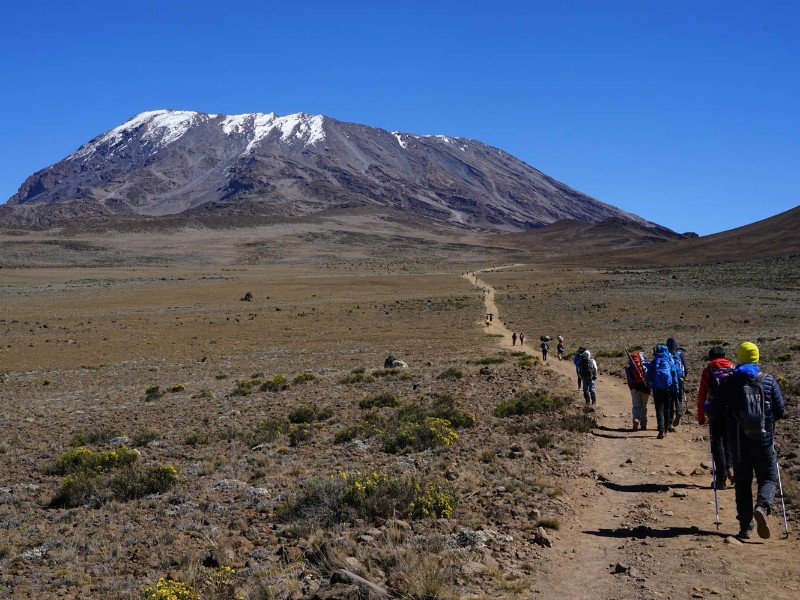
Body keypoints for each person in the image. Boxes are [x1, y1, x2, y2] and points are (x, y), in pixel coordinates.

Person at [709, 342, 785, 540]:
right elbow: (780, 410)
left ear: (740, 357)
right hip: (764, 440)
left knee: (742, 482)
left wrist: (709, 406)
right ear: (757, 357)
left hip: (738, 443)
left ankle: (745, 527)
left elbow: (715, 409)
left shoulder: (729, 381)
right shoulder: (768, 381)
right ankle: (762, 506)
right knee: (768, 477)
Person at [697, 346, 735, 489]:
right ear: (724, 356)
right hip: (732, 410)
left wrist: (701, 417)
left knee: (717, 442)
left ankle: (721, 478)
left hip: (715, 410)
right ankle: (731, 467)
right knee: (729, 440)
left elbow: (702, 395)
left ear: (710, 358)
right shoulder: (733, 369)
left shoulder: (708, 371)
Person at [646, 344, 679, 439]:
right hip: (668, 388)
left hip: (657, 389)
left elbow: (648, 376)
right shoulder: (669, 362)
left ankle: (661, 430)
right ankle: (666, 428)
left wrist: (650, 385)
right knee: (667, 408)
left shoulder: (653, 362)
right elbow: (674, 376)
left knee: (659, 409)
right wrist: (676, 389)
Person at [625, 349, 650, 431]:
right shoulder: (645, 365)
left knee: (636, 406)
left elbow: (629, 380)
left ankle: (636, 419)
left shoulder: (629, 367)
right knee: (644, 406)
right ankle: (643, 425)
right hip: (645, 387)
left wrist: (632, 388)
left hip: (634, 388)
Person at [666, 337, 688, 429]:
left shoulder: (666, 354)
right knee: (678, 397)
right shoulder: (679, 353)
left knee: (670, 400)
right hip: (679, 379)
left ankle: (670, 422)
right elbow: (686, 368)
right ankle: (679, 411)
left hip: (670, 379)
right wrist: (683, 377)